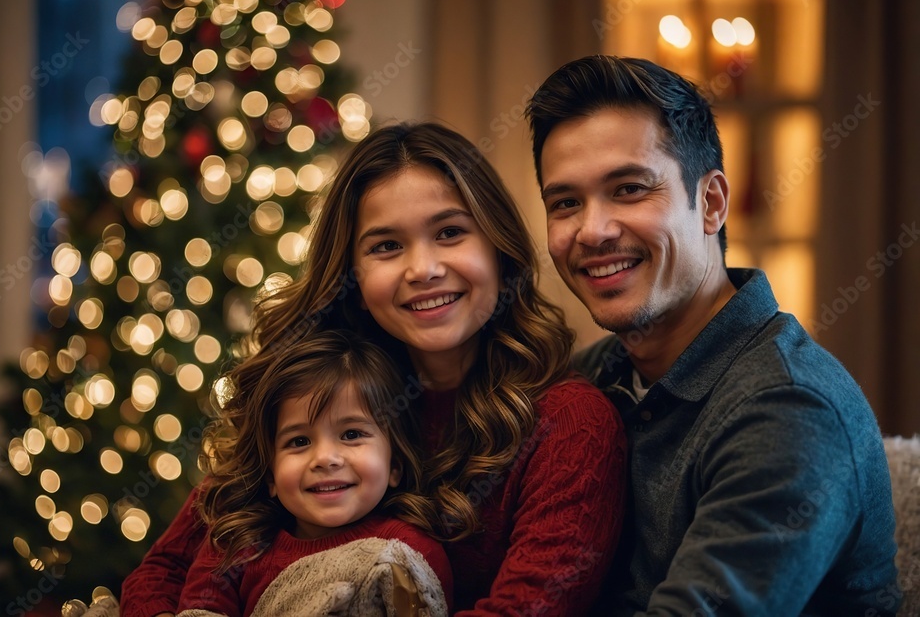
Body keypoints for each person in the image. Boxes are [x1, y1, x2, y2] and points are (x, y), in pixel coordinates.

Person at [120, 122, 627, 616]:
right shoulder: (315, 395)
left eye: (450, 232)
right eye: (386, 246)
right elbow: (161, 571)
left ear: (499, 250)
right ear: (352, 277)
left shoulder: (570, 423)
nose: (422, 269)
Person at [526, 54, 900, 615]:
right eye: (566, 203)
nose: (593, 230)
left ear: (712, 202)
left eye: (629, 189)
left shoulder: (788, 409)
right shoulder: (593, 378)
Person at [175, 329, 451, 616]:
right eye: (299, 441)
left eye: (352, 434)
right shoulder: (236, 550)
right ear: (270, 476)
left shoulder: (408, 552)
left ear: (395, 465)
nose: (324, 458)